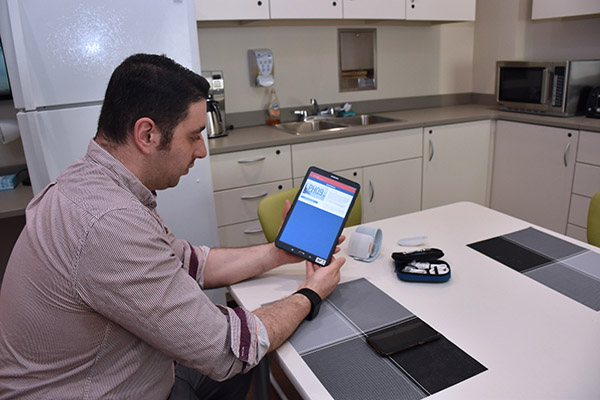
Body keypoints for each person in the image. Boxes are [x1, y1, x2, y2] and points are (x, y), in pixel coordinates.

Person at [0, 54, 346, 399]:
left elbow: (191, 262)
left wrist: (277, 252)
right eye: (194, 135)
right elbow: (228, 349)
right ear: (147, 134)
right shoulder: (109, 223)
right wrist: (311, 294)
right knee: (246, 358)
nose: (201, 151)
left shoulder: (97, 183)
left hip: (134, 370)